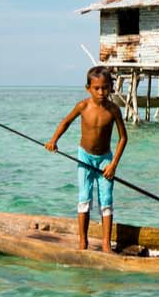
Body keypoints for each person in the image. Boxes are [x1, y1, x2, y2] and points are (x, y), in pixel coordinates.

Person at [46, 66, 128, 253]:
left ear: (111, 88)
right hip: (85, 158)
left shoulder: (114, 110)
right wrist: (53, 141)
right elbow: (66, 122)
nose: (101, 92)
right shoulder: (83, 106)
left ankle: (106, 245)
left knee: (106, 200)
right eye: (97, 88)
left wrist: (113, 164)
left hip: (105, 160)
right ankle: (83, 243)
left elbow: (123, 138)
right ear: (88, 88)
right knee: (84, 197)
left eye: (105, 88)